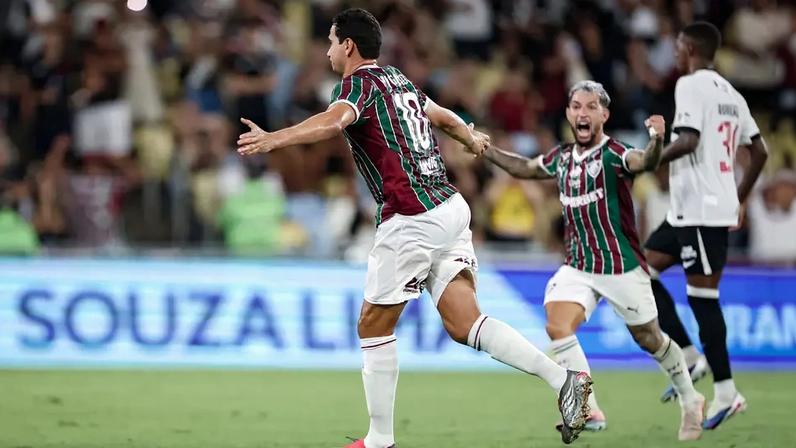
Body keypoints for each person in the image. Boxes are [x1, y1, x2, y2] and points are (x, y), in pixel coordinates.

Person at [235, 8, 593, 447]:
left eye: (330, 42)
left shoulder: (356, 85)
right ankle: (564, 380)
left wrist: (273, 138)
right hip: (449, 206)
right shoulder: (398, 79)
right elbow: (443, 116)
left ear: (348, 45)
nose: (327, 51)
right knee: (464, 323)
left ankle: (379, 440)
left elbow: (333, 122)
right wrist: (470, 138)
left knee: (373, 325)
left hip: (412, 217)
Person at [482, 80, 704, 441]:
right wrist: (485, 149)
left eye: (590, 107)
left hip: (620, 265)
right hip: (578, 265)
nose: (582, 113)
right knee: (557, 325)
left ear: (604, 115)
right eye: (576, 106)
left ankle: (691, 399)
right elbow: (524, 168)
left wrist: (657, 141)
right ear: (568, 114)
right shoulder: (562, 157)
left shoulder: (616, 154)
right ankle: (588, 408)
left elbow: (645, 161)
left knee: (649, 338)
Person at [643, 22, 768, 429]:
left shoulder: (690, 85)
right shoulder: (731, 93)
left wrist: (646, 160)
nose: (674, 52)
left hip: (702, 210)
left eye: (678, 45)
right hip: (689, 209)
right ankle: (689, 356)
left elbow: (689, 140)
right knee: (640, 274)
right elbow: (760, 151)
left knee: (702, 299)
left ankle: (728, 393)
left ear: (692, 48)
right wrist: (740, 197)